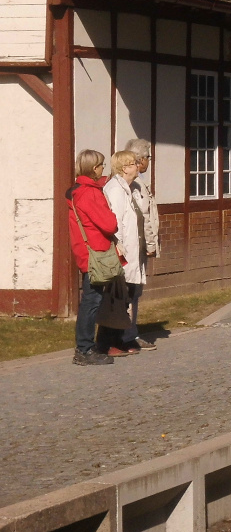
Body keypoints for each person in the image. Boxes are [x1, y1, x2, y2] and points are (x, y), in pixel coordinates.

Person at [66, 149, 118, 366]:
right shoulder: (89, 193)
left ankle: (86, 346)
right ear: (93, 168)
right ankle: (85, 348)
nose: (103, 168)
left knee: (92, 299)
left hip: (87, 251)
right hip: (94, 253)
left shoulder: (79, 191)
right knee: (92, 300)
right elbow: (109, 223)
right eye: (101, 165)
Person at [104, 150, 151, 354]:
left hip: (133, 250)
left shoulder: (130, 188)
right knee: (119, 297)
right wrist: (120, 251)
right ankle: (113, 341)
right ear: (124, 168)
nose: (137, 167)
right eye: (133, 164)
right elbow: (117, 224)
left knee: (128, 295)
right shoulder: (115, 189)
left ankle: (123, 338)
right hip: (122, 252)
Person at [123, 138, 159, 350]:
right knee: (131, 291)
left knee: (134, 291)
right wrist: (151, 243)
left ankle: (129, 332)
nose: (148, 162)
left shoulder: (138, 182)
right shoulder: (135, 185)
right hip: (135, 245)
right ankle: (128, 334)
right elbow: (143, 217)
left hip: (137, 244)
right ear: (140, 159)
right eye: (148, 158)